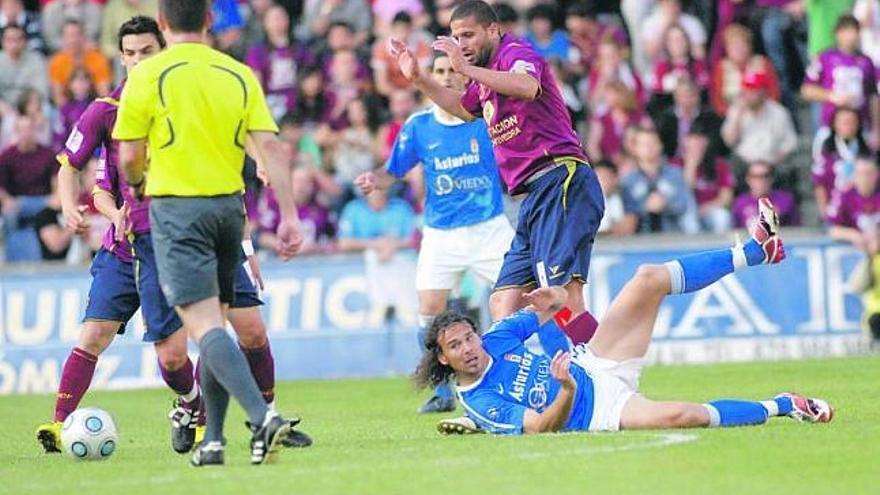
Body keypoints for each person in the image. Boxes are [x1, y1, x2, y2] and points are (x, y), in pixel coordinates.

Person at [36, 15, 311, 458]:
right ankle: (193, 412)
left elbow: (222, 169)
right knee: (169, 350)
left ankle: (248, 422)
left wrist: (245, 242)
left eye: (148, 50)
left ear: (165, 40)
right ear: (121, 57)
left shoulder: (192, 91)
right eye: (132, 53)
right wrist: (90, 207)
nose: (141, 61)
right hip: (141, 243)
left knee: (242, 329)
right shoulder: (112, 107)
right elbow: (98, 177)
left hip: (192, 226)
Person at [416, 198, 833, 436]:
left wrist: (555, 296)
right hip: (597, 412)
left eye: (468, 337)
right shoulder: (481, 398)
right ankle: (783, 405)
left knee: (647, 278)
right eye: (456, 346)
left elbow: (550, 308)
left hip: (594, 362)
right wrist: (563, 389)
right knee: (682, 416)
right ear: (443, 358)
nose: (469, 348)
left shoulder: (496, 340)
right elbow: (542, 428)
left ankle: (756, 251)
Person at [112, 1, 305, 467]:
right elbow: (271, 148)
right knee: (216, 321)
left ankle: (262, 417)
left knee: (203, 326)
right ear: (209, 20)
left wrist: (138, 183)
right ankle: (213, 440)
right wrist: (289, 213)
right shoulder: (238, 73)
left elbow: (129, 158)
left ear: (162, 25)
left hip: (179, 211)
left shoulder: (147, 76)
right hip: (228, 211)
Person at [391, 0, 604, 347]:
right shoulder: (486, 78)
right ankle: (526, 385)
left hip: (560, 179)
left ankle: (608, 375)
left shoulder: (517, 53)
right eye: (456, 37)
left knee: (562, 298)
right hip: (533, 197)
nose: (461, 45)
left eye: (468, 35)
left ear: (492, 30)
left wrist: (464, 68)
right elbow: (462, 108)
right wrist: (419, 79)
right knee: (503, 303)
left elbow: (526, 87)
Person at [355, 52, 515, 414]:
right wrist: (374, 180)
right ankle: (442, 391)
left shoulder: (484, 119)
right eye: (438, 71)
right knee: (429, 311)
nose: (444, 77)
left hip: (489, 228)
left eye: (451, 71)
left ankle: (521, 374)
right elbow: (393, 169)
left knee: (518, 302)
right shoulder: (419, 126)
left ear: (465, 78)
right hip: (441, 234)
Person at [620, 126, 699, 234]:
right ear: (635, 149)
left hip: (673, 234)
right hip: (639, 238)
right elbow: (624, 212)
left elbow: (685, 204)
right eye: (644, 145)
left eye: (652, 143)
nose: (649, 148)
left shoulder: (675, 174)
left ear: (660, 146)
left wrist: (666, 205)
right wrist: (645, 207)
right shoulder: (628, 180)